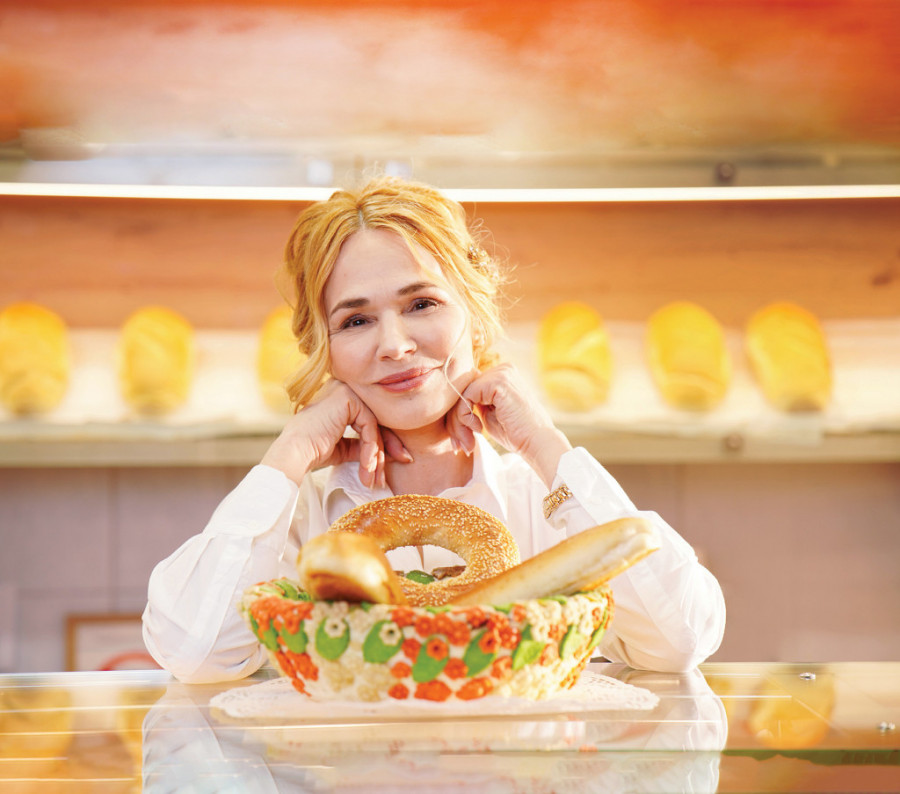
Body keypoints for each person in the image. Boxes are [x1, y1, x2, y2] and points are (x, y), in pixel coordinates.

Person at [142, 176, 725, 683]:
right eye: (356, 320)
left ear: (475, 311)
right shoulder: (296, 519)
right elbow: (197, 656)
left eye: (421, 304)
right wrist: (288, 455)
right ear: (325, 349)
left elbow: (679, 640)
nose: (395, 345)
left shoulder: (544, 503)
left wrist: (547, 446)